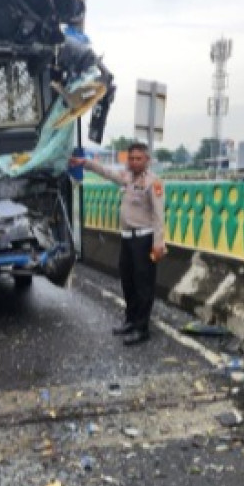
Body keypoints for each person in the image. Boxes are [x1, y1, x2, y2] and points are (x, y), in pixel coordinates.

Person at [69, 143, 166, 345]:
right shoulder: (127, 178)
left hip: (144, 239)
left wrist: (158, 245)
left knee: (143, 286)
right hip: (127, 239)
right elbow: (105, 171)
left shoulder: (153, 182)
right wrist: (85, 163)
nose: (134, 162)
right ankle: (130, 321)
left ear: (147, 160)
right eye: (131, 158)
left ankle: (142, 328)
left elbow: (159, 217)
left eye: (138, 158)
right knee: (128, 282)